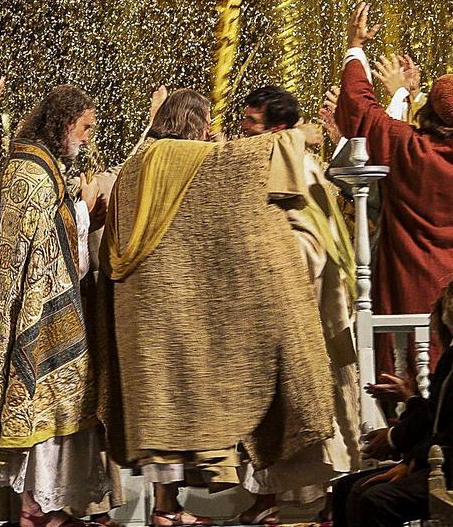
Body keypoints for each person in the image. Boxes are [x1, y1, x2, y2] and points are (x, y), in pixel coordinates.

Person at [95, 88, 334, 526]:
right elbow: (251, 163)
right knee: (202, 401)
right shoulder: (194, 162)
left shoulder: (133, 165)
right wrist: (300, 136)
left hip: (141, 312)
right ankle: (234, 504)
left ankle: (165, 509)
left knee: (159, 413)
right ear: (198, 125)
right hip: (181, 307)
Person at [0, 85, 114, 527]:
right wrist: (81, 212)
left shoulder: (44, 167)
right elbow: (41, 242)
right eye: (84, 128)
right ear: (64, 123)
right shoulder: (30, 171)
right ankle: (36, 509)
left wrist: (83, 218)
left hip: (52, 306)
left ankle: (50, 507)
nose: (87, 137)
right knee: (41, 408)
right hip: (37, 312)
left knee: (60, 409)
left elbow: (52, 232)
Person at [335, 4, 453, 374]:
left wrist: (355, 47)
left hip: (412, 292)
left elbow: (360, 107)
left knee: (412, 378)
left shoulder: (409, 147)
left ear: (428, 112)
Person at [235, 86, 362, 525]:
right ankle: (266, 494)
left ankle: (322, 496)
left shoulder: (299, 168)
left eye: (251, 122)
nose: (242, 128)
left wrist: (266, 257)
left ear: (279, 129)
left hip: (303, 305)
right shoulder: (266, 162)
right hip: (268, 305)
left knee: (306, 403)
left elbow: (311, 240)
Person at [332, 260, 453, 526]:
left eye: (450, 294)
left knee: (371, 498)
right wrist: (410, 402)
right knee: (347, 488)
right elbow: (444, 413)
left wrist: (414, 459)